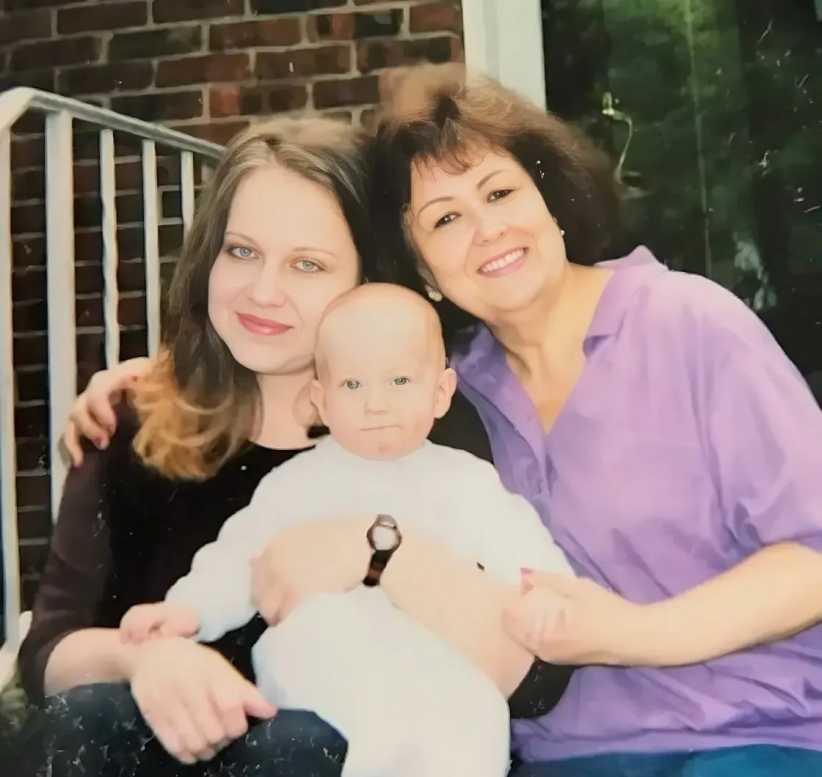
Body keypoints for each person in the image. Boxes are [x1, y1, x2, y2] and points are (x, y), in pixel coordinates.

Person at [17, 114, 573, 777]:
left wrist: (376, 551)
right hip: (160, 755)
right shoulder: (132, 420)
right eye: (241, 252)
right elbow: (46, 652)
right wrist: (142, 657)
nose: (263, 291)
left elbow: (537, 681)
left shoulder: (424, 427)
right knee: (84, 717)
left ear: (368, 280)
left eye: (308, 264)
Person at [364, 63, 822, 776]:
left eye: (500, 192)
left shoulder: (688, 322)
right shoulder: (447, 394)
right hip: (565, 756)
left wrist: (636, 632)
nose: (487, 230)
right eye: (446, 218)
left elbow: (812, 556)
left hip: (759, 729)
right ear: (423, 272)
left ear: (549, 200)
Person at [119, 282, 575, 777]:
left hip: (429, 655)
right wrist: (187, 610)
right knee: (360, 691)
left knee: (477, 705)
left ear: (441, 392)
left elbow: (521, 546)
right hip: (320, 651)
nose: (376, 404)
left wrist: (546, 594)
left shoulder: (466, 481)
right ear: (321, 399)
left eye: (399, 381)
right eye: (353, 385)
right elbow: (237, 560)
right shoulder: (296, 483)